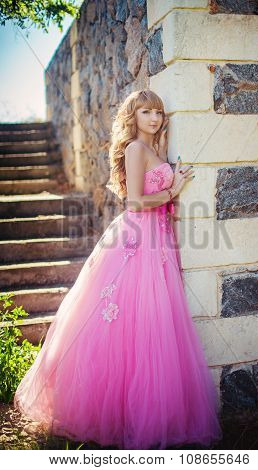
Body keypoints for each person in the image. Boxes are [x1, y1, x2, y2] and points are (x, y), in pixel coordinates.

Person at [13, 89, 223, 450]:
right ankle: (109, 412)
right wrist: (173, 190)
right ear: (133, 116)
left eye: (158, 111)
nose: (154, 118)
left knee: (153, 322)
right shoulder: (135, 150)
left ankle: (148, 413)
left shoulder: (157, 149)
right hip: (136, 237)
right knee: (125, 318)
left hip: (158, 239)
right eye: (146, 112)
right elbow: (136, 202)